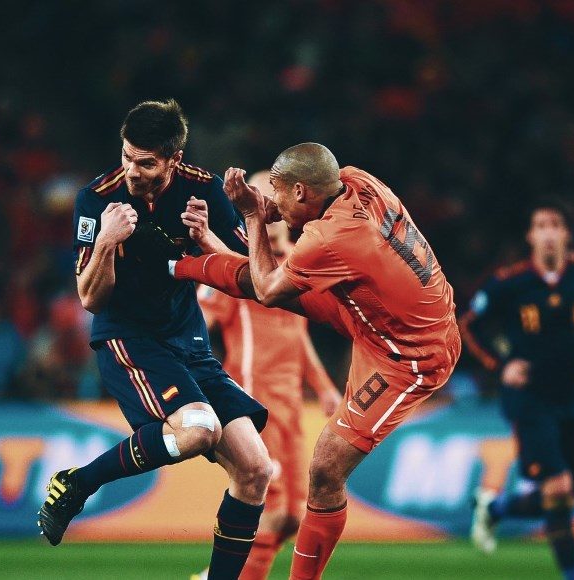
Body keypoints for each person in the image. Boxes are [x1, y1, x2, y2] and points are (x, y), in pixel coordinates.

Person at [171, 143, 461, 579]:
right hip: (377, 319)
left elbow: (267, 289)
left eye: (277, 191)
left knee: (324, 470)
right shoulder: (356, 180)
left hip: (410, 354)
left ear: (301, 191)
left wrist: (252, 215)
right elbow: (270, 283)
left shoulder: (328, 239)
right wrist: (224, 236)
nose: (273, 202)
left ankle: (174, 265)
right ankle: (175, 265)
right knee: (287, 507)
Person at [37, 99, 273, 580]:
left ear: (174, 159)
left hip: (189, 341)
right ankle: (78, 483)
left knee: (255, 470)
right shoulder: (97, 199)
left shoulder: (203, 189)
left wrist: (208, 240)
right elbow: (90, 299)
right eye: (127, 156)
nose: (132, 171)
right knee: (199, 428)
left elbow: (252, 280)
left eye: (146, 163)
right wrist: (106, 241)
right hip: (129, 338)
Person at [462, 201, 574, 580]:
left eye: (555, 224)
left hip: (573, 395)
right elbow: (470, 324)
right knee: (558, 485)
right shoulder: (511, 282)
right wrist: (501, 366)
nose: (548, 232)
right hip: (529, 397)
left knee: (562, 497)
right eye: (541, 225)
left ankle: (494, 509)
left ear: (566, 234)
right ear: (530, 236)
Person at [195, 172, 341, 580]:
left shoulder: (297, 258)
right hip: (255, 399)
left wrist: (324, 387)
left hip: (290, 401)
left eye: (274, 198)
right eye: (261, 198)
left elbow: (297, 333)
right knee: (272, 510)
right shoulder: (238, 264)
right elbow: (199, 323)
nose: (270, 207)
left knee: (293, 515)